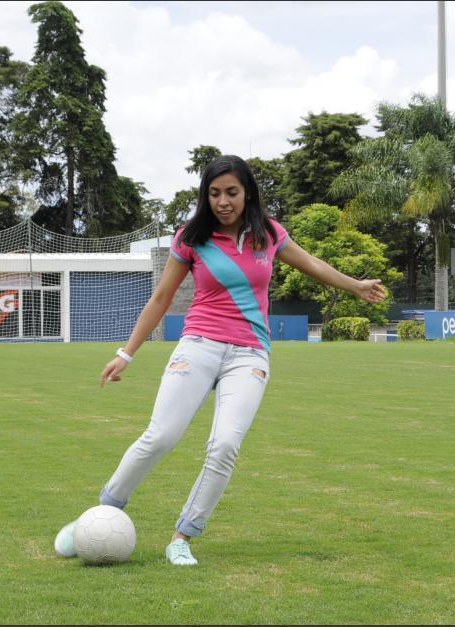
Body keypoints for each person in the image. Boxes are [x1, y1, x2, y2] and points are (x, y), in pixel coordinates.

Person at [54, 154, 386, 566]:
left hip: (250, 354)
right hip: (198, 345)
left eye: (231, 192)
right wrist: (126, 353)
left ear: (248, 193)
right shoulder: (191, 239)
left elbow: (312, 264)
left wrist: (355, 285)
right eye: (214, 193)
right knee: (161, 435)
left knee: (225, 444)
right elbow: (160, 299)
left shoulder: (269, 234)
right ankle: (101, 514)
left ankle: (182, 537)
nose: (223, 201)